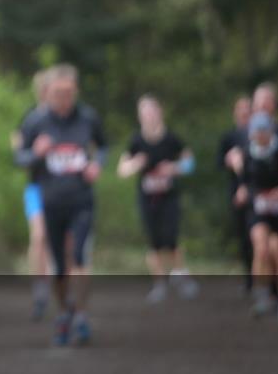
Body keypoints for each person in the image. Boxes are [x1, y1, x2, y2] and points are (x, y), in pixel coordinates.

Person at [16, 64, 106, 346]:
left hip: (82, 201)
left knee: (79, 256)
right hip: (51, 202)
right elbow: (20, 158)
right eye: (57, 93)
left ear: (75, 91)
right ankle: (63, 312)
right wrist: (36, 154)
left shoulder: (88, 118)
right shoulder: (36, 121)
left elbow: (103, 146)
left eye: (68, 92)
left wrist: (96, 165)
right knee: (59, 268)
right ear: (48, 93)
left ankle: (80, 315)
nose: (63, 98)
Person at [225, 82, 278, 310]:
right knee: (262, 246)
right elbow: (236, 161)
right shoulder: (243, 133)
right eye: (258, 100)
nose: (262, 104)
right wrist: (243, 184)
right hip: (257, 202)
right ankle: (267, 294)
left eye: (266, 100)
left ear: (274, 103)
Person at [117, 95, 198, 303]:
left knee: (171, 237)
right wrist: (136, 164)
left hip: (169, 196)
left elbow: (190, 164)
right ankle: (159, 284)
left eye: (152, 112)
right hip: (147, 198)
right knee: (154, 241)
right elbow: (122, 170)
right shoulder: (136, 141)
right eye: (144, 113)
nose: (149, 116)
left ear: (159, 113)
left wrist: (174, 168)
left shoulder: (171, 139)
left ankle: (180, 275)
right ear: (140, 117)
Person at [13, 69, 53, 320]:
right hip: (37, 188)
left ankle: (59, 285)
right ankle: (39, 288)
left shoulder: (72, 119)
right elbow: (20, 156)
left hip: (63, 190)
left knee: (60, 242)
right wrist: (36, 153)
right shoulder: (31, 119)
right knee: (39, 236)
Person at [217, 96, 252, 292]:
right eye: (241, 109)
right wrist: (230, 161)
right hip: (235, 192)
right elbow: (219, 162)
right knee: (244, 237)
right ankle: (250, 280)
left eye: (248, 108)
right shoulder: (229, 137)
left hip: (256, 191)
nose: (244, 112)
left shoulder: (259, 134)